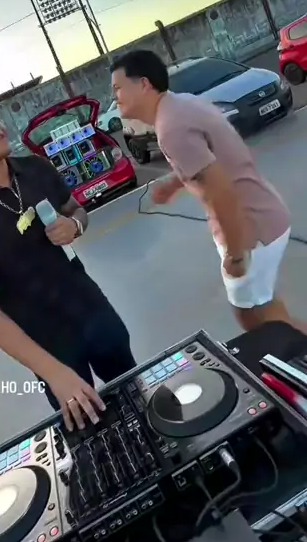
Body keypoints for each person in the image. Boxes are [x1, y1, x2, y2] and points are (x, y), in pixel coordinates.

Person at [0, 95, 136, 430]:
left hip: (94, 312)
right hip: (49, 345)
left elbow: (77, 211)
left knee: (139, 397)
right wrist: (55, 374)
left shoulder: (36, 169)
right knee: (93, 434)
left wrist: (74, 226)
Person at [111, 48, 294, 334]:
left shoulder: (171, 128)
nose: (115, 98)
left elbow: (221, 193)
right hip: (262, 213)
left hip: (251, 228)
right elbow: (209, 159)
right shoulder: (181, 104)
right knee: (262, 311)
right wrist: (173, 184)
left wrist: (236, 254)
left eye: (118, 88)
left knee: (258, 320)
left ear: (144, 84)